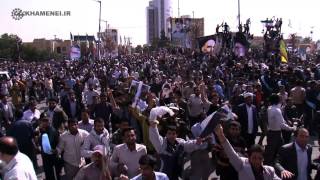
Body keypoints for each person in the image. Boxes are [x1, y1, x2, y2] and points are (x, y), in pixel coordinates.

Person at [214, 124, 281, 180]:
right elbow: (230, 152)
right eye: (254, 158)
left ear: (263, 159)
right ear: (249, 157)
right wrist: (221, 135)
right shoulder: (242, 165)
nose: (257, 161)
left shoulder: (270, 170)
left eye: (260, 158)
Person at [149, 113, 202, 180]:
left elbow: (188, 145)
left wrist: (196, 142)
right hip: (165, 176)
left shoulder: (180, 143)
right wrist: (153, 128)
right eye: (169, 133)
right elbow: (155, 138)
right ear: (166, 134)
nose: (171, 136)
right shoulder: (162, 144)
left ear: (176, 135)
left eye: (173, 134)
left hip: (177, 175)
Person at [264, 94, 295, 165]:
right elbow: (281, 125)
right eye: (279, 98)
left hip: (271, 132)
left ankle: (274, 164)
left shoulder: (269, 108)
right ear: (277, 100)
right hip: (276, 133)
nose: (281, 99)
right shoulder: (277, 110)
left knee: (274, 151)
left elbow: (281, 121)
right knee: (275, 152)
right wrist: (291, 128)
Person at [38, 112, 62, 180]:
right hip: (45, 157)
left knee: (55, 175)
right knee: (48, 174)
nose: (45, 122)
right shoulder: (42, 130)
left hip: (53, 156)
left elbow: (50, 142)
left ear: (49, 120)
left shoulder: (52, 130)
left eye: (46, 120)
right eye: (43, 120)